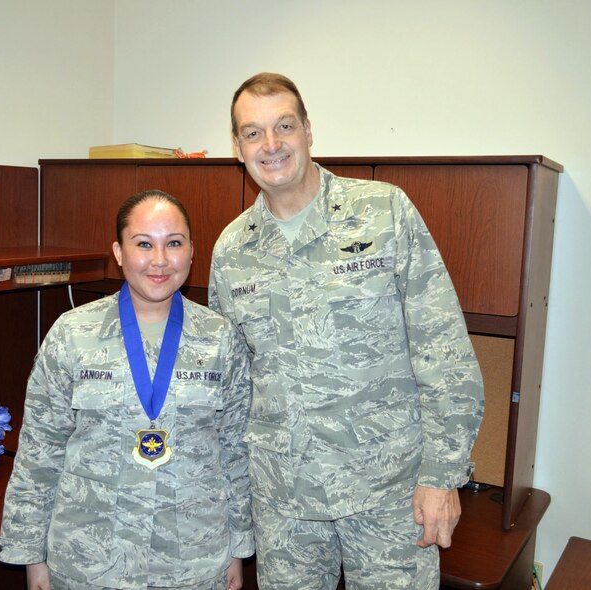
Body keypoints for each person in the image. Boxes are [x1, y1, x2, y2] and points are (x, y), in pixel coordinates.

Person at [208, 72, 485, 590]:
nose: (271, 145)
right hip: (283, 506)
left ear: (308, 130)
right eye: (253, 133)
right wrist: (236, 511)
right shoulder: (231, 252)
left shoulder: (384, 212)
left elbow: (443, 350)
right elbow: (234, 392)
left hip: (389, 494)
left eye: (283, 126)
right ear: (237, 147)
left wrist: (441, 476)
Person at [0, 190, 253, 590]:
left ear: (191, 252)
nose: (159, 260)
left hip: (194, 561)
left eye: (173, 243)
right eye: (143, 244)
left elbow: (236, 450)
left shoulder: (221, 338)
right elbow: (39, 452)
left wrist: (239, 545)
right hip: (88, 561)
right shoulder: (72, 333)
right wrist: (31, 556)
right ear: (118, 252)